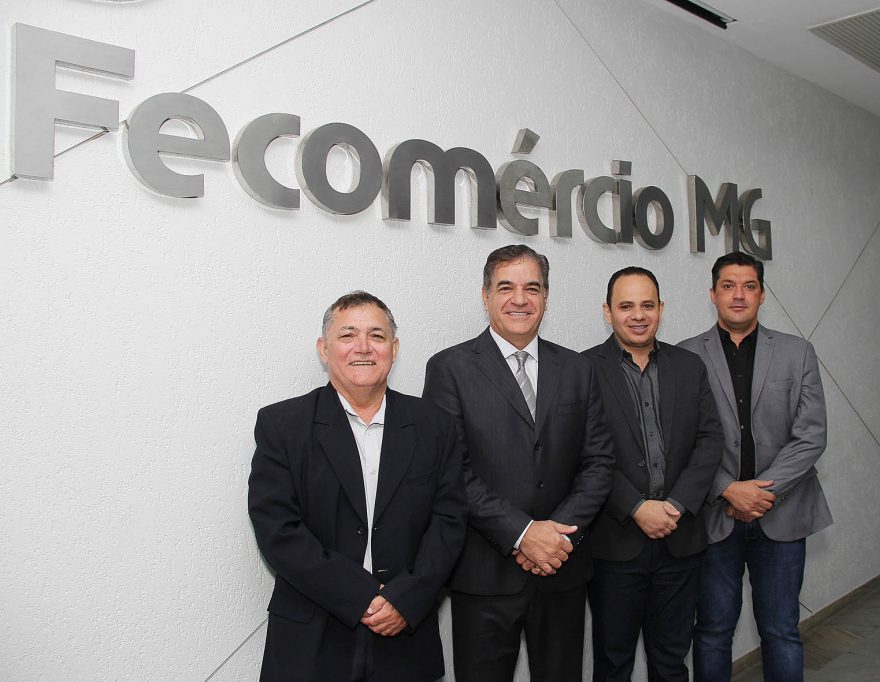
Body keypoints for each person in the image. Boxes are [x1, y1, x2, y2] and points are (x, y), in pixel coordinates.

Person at [248, 291, 467, 682]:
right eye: (347, 335)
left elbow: (449, 522)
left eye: (377, 336)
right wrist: (360, 595)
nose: (363, 347)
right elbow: (277, 528)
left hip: (404, 632)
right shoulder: (282, 425)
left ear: (394, 349)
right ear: (324, 349)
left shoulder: (435, 425)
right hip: (312, 637)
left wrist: (404, 598)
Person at [423, 244, 614, 682]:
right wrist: (524, 533)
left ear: (546, 296)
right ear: (486, 295)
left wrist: (554, 538)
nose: (520, 299)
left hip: (561, 569)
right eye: (506, 287)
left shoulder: (578, 369)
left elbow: (599, 462)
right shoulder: (450, 368)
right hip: (484, 576)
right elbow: (451, 470)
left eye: (532, 288)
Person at [678, 252, 833, 682]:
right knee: (712, 631)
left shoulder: (798, 353)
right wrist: (728, 489)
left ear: (762, 295)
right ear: (712, 294)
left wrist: (760, 493)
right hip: (715, 517)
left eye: (749, 286)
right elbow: (682, 440)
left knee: (781, 632)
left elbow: (811, 436)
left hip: (782, 513)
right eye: (728, 286)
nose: (738, 295)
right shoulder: (686, 356)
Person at [583, 267, 723, 682]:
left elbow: (710, 440)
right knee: (613, 663)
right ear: (608, 312)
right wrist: (636, 506)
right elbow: (584, 453)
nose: (638, 315)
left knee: (672, 660)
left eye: (647, 305)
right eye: (626, 306)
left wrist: (676, 505)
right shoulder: (582, 369)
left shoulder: (689, 366)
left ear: (661, 308)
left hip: (681, 541)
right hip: (615, 544)